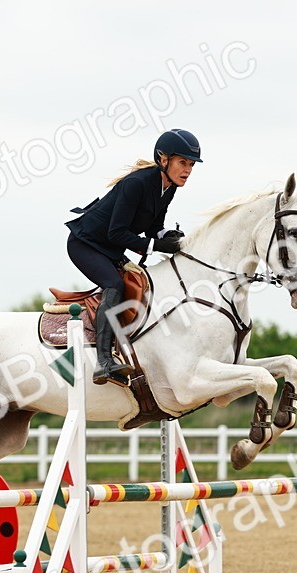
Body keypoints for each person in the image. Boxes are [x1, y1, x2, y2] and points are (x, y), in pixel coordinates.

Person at [65, 128, 201, 385]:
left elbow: (153, 226)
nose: (188, 170)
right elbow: (117, 233)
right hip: (85, 244)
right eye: (182, 162)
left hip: (109, 247)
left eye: (191, 164)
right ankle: (103, 362)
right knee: (114, 285)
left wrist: (168, 235)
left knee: (139, 284)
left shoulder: (169, 187)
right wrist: (157, 246)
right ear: (163, 159)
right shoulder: (136, 184)